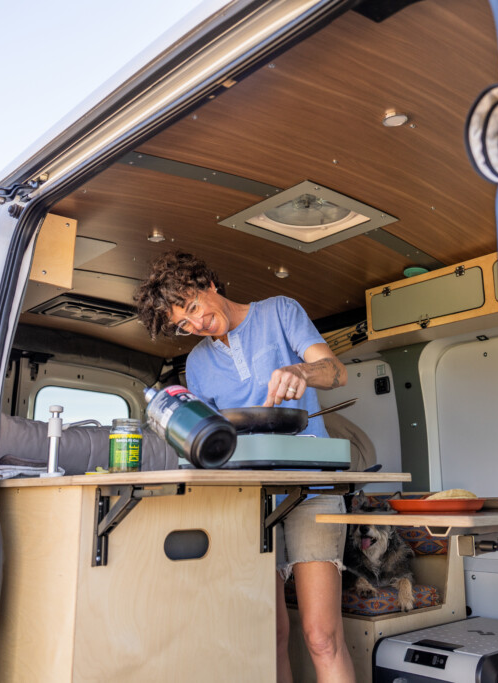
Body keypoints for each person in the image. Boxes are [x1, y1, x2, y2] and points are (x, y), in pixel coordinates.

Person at [135, 251, 355, 683]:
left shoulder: (279, 312)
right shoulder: (197, 363)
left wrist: (301, 371)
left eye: (194, 307)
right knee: (268, 636)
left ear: (209, 284)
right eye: (183, 325)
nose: (196, 325)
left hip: (313, 492)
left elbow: (337, 372)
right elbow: (210, 439)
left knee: (321, 637)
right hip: (249, 500)